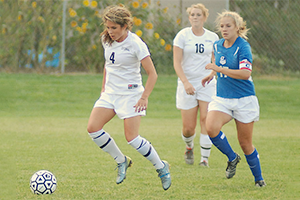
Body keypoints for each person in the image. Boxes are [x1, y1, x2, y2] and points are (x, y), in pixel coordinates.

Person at [87, 5, 171, 190]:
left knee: (132, 138)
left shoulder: (136, 44)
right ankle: (121, 160)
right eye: (108, 27)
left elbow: (152, 74)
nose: (110, 31)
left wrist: (144, 97)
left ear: (125, 26)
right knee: (93, 128)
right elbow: (108, 65)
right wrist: (103, 88)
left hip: (131, 94)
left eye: (114, 28)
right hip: (110, 93)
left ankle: (161, 167)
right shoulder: (105, 39)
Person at [201, 10, 266, 187]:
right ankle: (232, 157)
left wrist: (218, 69)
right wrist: (212, 74)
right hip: (222, 98)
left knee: (245, 144)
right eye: (222, 26)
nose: (224, 29)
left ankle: (258, 179)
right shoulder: (217, 45)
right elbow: (220, 64)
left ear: (238, 28)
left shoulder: (243, 46)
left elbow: (245, 73)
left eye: (228, 26)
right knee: (211, 127)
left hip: (244, 100)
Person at [173, 3, 219, 166]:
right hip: (188, 83)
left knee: (206, 120)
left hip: (207, 83)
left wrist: (212, 74)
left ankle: (204, 159)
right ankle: (189, 147)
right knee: (188, 128)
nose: (195, 17)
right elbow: (177, 62)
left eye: (198, 15)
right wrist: (185, 82)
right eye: (193, 15)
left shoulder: (213, 37)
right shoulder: (182, 36)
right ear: (189, 17)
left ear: (205, 17)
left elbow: (216, 60)